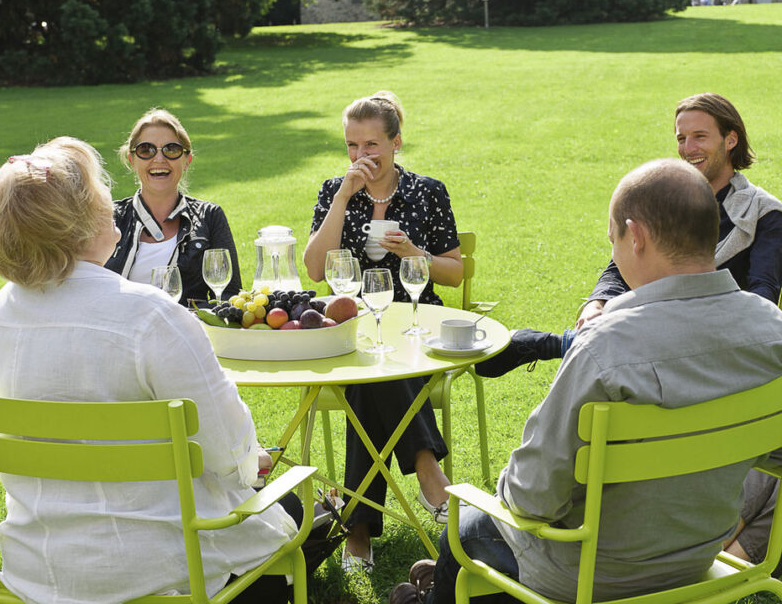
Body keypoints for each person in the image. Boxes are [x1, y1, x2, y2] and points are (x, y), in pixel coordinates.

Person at [390, 158, 782, 604]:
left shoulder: (605, 348)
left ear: (636, 237)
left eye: (612, 239)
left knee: (466, 529)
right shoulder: (772, 330)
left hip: (589, 572)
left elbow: (529, 499)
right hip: (697, 556)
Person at [0, 138, 297, 604]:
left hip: (40, 570)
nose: (111, 201)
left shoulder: (2, 313)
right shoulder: (149, 316)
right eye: (101, 191)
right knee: (291, 507)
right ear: (80, 220)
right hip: (166, 572)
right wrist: (252, 462)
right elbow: (229, 454)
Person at [481, 92, 782, 376]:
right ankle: (556, 343)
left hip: (722, 333)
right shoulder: (667, 196)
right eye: (681, 138)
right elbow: (624, 259)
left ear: (731, 140)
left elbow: (763, 296)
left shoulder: (763, 213)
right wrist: (597, 303)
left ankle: (552, 344)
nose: (688, 148)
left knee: (618, 342)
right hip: (649, 323)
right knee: (614, 327)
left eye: (700, 137)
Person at [303, 91, 463, 571]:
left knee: (373, 373)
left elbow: (454, 273)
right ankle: (428, 470)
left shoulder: (427, 191)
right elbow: (315, 270)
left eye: (371, 145)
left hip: (415, 325)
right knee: (369, 362)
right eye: (352, 145)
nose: (360, 157)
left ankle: (357, 528)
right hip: (355, 326)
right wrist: (342, 197)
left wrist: (412, 250)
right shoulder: (336, 190)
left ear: (396, 143)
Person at [105, 107, 242, 304]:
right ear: (131, 160)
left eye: (171, 150)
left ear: (187, 160)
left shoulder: (210, 216)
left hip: (186, 332)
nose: (159, 159)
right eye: (146, 150)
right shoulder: (109, 217)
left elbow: (230, 295)